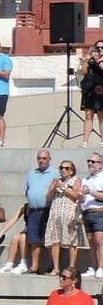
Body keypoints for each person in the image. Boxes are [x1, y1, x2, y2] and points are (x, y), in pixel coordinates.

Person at [44, 159, 87, 278]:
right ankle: (56, 268)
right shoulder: (55, 181)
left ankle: (72, 267)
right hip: (56, 212)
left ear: (71, 171)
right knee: (55, 240)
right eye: (61, 168)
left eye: (66, 168)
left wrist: (64, 188)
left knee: (72, 241)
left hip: (70, 213)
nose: (63, 170)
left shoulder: (75, 180)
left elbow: (77, 196)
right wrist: (54, 187)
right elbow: (48, 197)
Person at [83, 151, 103, 284]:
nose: (90, 163)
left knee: (99, 240)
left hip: (99, 212)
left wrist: (90, 191)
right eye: (89, 161)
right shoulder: (86, 179)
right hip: (87, 213)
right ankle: (92, 266)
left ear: (101, 165)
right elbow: (83, 197)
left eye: (93, 161)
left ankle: (101, 267)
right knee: (90, 241)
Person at [83, 43, 103, 143]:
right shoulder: (91, 60)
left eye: (102, 47)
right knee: (88, 115)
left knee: (101, 115)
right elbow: (83, 72)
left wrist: (97, 61)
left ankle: (102, 141)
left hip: (101, 90)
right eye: (97, 47)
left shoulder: (99, 61)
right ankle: (85, 142)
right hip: (90, 90)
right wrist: (86, 60)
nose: (99, 49)